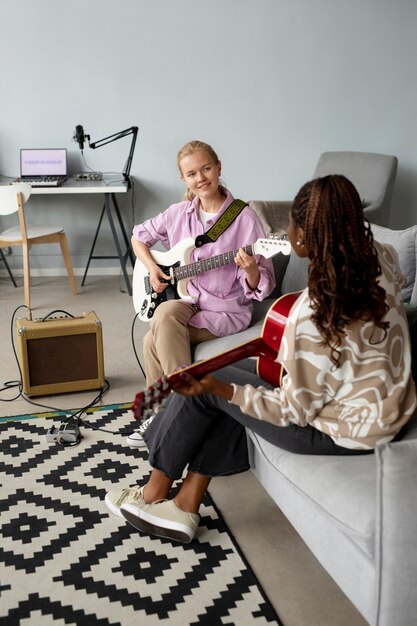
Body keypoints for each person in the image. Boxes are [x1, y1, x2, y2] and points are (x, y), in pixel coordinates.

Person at [106, 174, 416, 543]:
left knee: (206, 386)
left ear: (302, 236)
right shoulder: (384, 257)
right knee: (226, 373)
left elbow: (293, 411)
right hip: (385, 407)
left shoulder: (313, 311)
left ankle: (151, 494)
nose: (285, 231)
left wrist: (227, 392)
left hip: (343, 432)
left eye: (290, 224)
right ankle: (185, 505)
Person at [127, 140, 275, 447]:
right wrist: (153, 268)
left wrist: (250, 270)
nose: (201, 178)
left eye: (206, 168)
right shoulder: (178, 213)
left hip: (224, 310)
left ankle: (166, 417)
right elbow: (138, 238)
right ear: (184, 180)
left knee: (151, 337)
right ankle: (170, 416)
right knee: (163, 319)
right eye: (192, 173)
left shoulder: (243, 217)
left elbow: (262, 286)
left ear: (219, 167)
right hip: (186, 300)